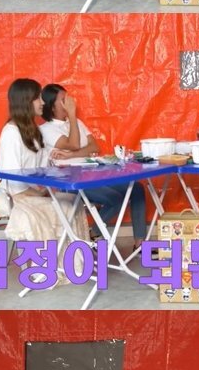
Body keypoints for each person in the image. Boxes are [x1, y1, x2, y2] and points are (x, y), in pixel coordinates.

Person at [41, 83, 147, 247]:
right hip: (71, 181)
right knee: (116, 198)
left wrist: (71, 155)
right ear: (51, 106)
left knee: (136, 188)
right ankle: (93, 233)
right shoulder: (46, 129)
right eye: (63, 100)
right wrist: (72, 115)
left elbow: (94, 147)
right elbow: (74, 144)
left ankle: (140, 243)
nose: (70, 102)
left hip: (92, 174)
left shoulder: (78, 123)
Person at [0, 78, 90, 258]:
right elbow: (12, 179)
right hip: (16, 196)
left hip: (33, 191)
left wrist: (56, 156)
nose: (43, 103)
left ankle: (73, 261)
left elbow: (42, 161)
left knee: (73, 202)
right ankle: (53, 263)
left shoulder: (31, 130)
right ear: (26, 101)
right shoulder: (11, 134)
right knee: (65, 206)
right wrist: (39, 193)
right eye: (38, 98)